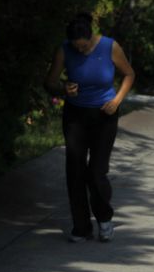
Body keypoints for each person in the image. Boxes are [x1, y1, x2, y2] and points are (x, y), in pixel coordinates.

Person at [44, 13, 135, 243]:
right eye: (76, 47)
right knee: (75, 169)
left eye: (83, 46)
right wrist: (63, 89)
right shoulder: (64, 50)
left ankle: (104, 219)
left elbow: (129, 74)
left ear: (90, 37)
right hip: (75, 115)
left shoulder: (109, 47)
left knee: (97, 171)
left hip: (104, 114)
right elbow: (50, 82)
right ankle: (81, 226)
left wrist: (117, 101)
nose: (80, 50)